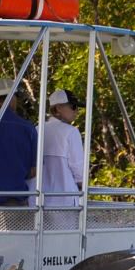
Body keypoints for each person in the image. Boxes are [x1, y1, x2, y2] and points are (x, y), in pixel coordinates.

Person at [40, 87, 86, 222]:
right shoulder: (71, 132)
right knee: (65, 241)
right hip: (64, 202)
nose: (77, 111)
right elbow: (79, 171)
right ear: (58, 108)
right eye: (73, 106)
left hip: (39, 201)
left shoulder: (37, 129)